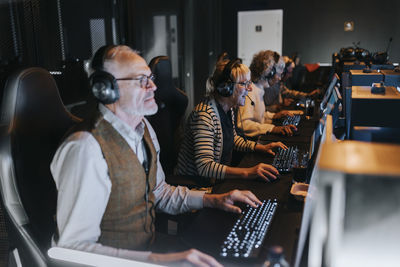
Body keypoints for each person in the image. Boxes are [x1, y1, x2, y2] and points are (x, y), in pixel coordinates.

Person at [51, 45, 264, 267]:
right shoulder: (86, 148)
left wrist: (214, 200)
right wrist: (161, 261)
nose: (153, 86)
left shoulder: (143, 129)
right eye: (141, 80)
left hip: (149, 248)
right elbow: (72, 250)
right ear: (107, 89)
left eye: (151, 78)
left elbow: (159, 192)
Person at [174, 53, 286, 183]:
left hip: (214, 180)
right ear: (226, 88)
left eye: (249, 83)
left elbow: (233, 139)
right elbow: (205, 167)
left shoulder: (227, 109)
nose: (250, 88)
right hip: (194, 184)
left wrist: (262, 147)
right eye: (244, 83)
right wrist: (248, 172)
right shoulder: (205, 116)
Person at [237, 50, 297, 138]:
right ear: (269, 72)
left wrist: (274, 116)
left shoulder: (259, 88)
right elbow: (243, 124)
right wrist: (272, 129)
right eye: (279, 74)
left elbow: (258, 117)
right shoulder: (250, 91)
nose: (280, 78)